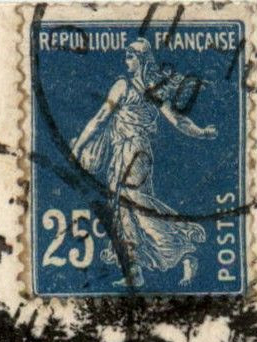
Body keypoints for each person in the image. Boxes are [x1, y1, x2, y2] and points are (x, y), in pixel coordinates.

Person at [70, 39, 214, 288]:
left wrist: (77, 146)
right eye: (126, 56)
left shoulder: (123, 86)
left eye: (130, 56)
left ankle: (184, 250)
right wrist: (201, 133)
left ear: (141, 59)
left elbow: (101, 117)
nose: (126, 61)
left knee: (132, 204)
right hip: (135, 152)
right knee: (125, 208)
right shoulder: (153, 89)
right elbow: (178, 121)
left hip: (131, 151)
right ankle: (135, 269)